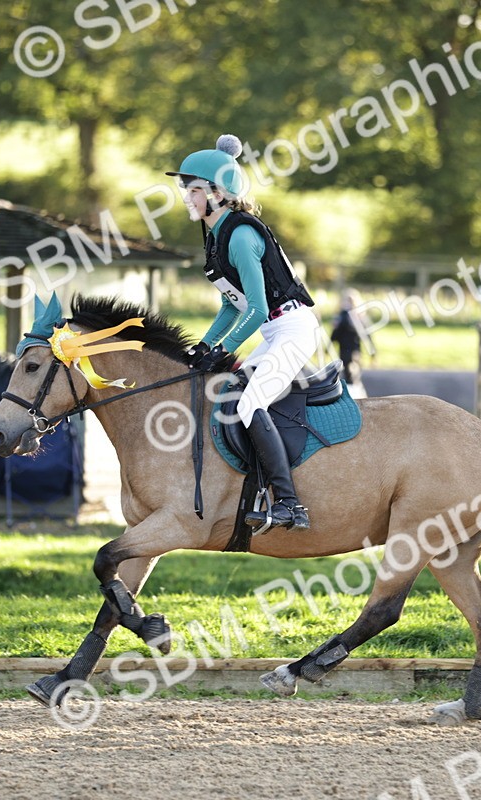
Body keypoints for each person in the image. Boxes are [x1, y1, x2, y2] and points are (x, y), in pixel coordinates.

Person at [167, 134, 317, 531]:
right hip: (273, 331)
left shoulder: (240, 236)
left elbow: (258, 309)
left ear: (218, 194)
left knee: (250, 404)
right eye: (186, 190)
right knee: (229, 395)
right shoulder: (215, 235)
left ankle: (291, 506)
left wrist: (226, 348)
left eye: (194, 190)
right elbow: (231, 305)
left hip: (293, 329)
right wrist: (205, 344)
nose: (187, 197)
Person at [330, 289, 377, 389]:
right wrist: (329, 345)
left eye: (351, 301)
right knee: (347, 373)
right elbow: (335, 333)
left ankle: (354, 390)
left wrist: (373, 353)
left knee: (353, 374)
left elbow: (368, 336)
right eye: (347, 301)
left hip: (354, 351)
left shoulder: (360, 317)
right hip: (344, 349)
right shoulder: (342, 316)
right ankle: (351, 389)